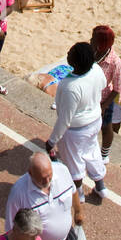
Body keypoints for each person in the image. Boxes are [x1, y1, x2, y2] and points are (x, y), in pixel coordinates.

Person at [47, 41, 106, 203]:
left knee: (74, 163)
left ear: (76, 62)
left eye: (71, 53)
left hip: (76, 130)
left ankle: (78, 194)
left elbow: (64, 119)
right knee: (92, 152)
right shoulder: (96, 70)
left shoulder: (69, 86)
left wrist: (52, 141)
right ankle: (100, 186)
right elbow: (103, 85)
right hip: (94, 121)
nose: (68, 52)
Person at [91, 25, 121, 164]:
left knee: (106, 126)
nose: (90, 40)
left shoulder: (115, 63)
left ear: (100, 44)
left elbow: (117, 88)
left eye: (93, 39)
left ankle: (104, 154)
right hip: (89, 96)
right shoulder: (90, 52)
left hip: (104, 100)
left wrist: (104, 106)